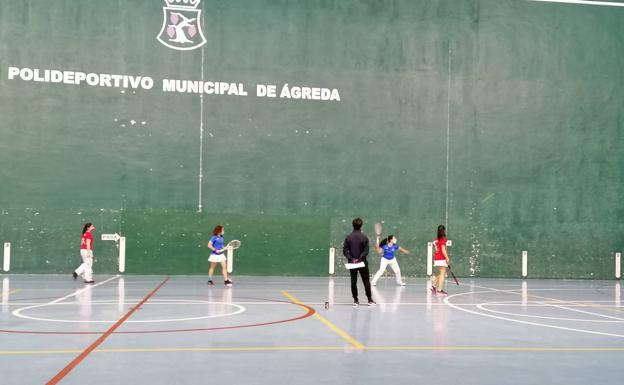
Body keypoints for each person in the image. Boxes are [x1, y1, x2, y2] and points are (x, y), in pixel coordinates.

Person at [343, 218, 375, 306]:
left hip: (352, 263)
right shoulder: (364, 237)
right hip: (362, 263)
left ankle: (356, 301)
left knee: (353, 281)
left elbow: (345, 251)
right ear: (361, 225)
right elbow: (366, 251)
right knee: (366, 281)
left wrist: (352, 259)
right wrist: (360, 259)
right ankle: (369, 300)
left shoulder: (348, 237)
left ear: (353, 225)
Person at [431, 224, 450, 295]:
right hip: (441, 258)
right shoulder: (443, 239)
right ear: (444, 231)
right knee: (443, 273)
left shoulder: (435, 239)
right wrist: (447, 258)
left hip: (436, 258)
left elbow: (436, 248)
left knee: (440, 273)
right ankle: (439, 290)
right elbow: (443, 250)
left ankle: (433, 286)